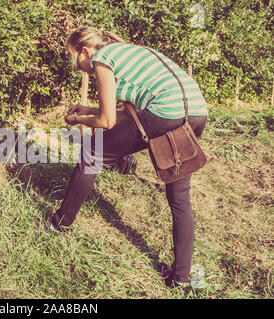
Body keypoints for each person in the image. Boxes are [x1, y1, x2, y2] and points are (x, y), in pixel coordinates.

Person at [45, 26, 208, 288]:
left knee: (91, 152)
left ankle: (59, 224)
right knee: (179, 196)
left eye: (73, 56)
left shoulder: (102, 59)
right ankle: (180, 278)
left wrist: (77, 119)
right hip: (196, 111)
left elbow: (106, 121)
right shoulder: (130, 51)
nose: (76, 64)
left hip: (166, 111)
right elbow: (126, 112)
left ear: (85, 51)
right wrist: (88, 109)